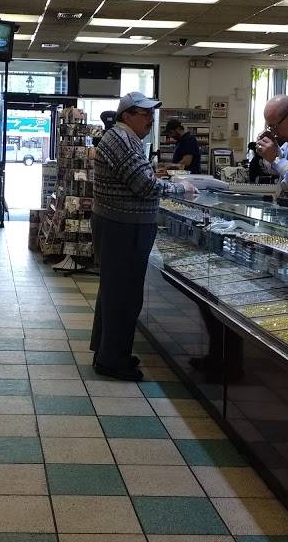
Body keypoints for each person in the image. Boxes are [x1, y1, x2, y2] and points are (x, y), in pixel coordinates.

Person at [91, 92, 198, 381]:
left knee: (114, 292)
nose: (151, 119)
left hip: (119, 224)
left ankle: (106, 351)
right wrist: (182, 188)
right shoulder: (123, 140)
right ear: (127, 115)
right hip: (123, 227)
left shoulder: (121, 138)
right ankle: (113, 361)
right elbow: (146, 186)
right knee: (123, 296)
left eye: (152, 114)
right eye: (145, 114)